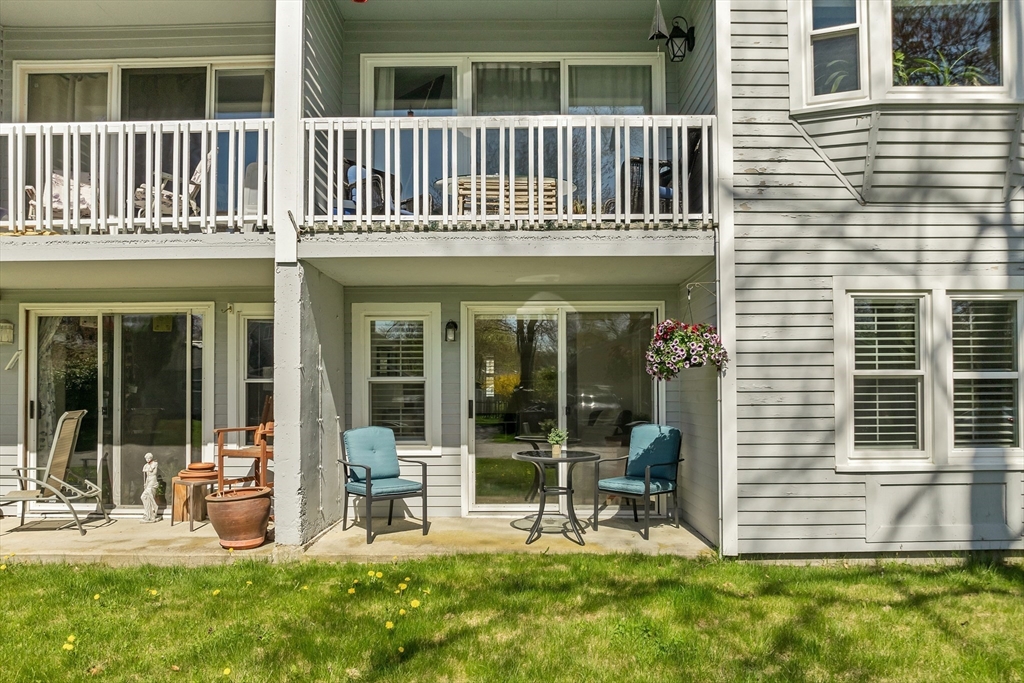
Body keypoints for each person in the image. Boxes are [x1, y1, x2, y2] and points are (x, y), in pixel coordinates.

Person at [141, 452, 159, 523]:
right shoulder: (146, 465)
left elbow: (153, 472)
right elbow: (145, 474)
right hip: (148, 479)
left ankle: (153, 510)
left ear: (151, 458)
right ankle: (148, 512)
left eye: (149, 458)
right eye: (146, 458)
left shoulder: (155, 463)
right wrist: (145, 483)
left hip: (152, 479)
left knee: (148, 494)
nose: (147, 459)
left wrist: (148, 469)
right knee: (144, 496)